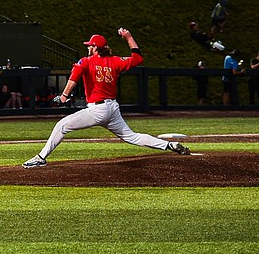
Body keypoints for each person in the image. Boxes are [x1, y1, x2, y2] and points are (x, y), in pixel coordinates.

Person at [22, 28, 189, 167]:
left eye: (90, 45)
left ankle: (41, 158)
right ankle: (169, 145)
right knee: (132, 137)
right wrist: (129, 37)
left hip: (97, 109)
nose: (88, 48)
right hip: (112, 109)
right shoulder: (115, 61)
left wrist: (64, 96)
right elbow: (138, 58)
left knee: (62, 125)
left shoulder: (87, 61)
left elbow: (74, 76)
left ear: (95, 47)